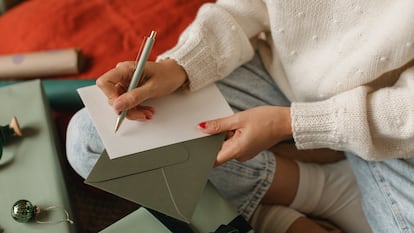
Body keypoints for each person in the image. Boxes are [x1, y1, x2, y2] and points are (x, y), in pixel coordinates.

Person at [66, 0, 414, 232]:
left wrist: (290, 124)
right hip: (277, 75)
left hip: (395, 125)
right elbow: (246, 6)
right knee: (92, 140)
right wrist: (179, 66)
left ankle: (303, 188)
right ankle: (316, 190)